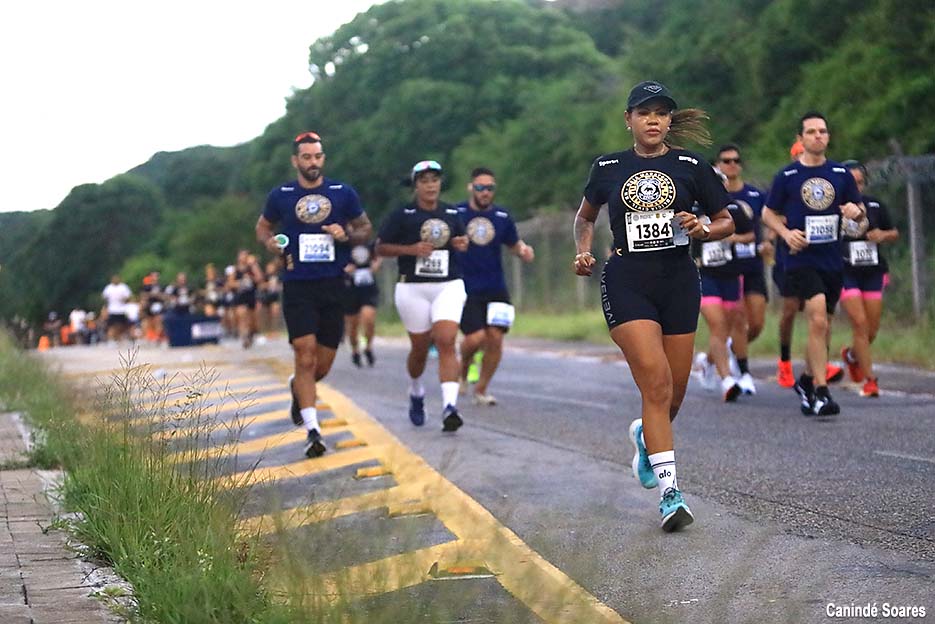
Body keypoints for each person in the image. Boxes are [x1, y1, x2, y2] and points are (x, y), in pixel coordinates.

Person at [573, 81, 735, 532]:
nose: (653, 119)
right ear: (628, 119)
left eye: (662, 112)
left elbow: (727, 221)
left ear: (668, 121)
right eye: (644, 112)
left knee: (673, 395)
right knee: (657, 385)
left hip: (678, 280)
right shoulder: (607, 167)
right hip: (627, 281)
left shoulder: (689, 165)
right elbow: (585, 217)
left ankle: (647, 438)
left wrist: (702, 227)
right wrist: (583, 250)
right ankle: (670, 494)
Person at [256, 131, 372, 458]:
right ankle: (313, 430)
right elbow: (263, 228)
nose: (312, 162)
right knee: (304, 354)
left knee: (320, 366)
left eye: (317, 156)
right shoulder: (281, 195)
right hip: (297, 284)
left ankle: (299, 387)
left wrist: (345, 233)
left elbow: (365, 229)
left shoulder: (342, 193)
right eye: (306, 157)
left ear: (323, 158)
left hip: (333, 284)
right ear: (296, 160)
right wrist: (270, 242)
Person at [761, 112, 864, 416]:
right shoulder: (788, 177)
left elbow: (860, 212)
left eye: (822, 131)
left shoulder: (841, 174)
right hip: (800, 259)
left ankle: (806, 379)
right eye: (811, 131)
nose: (818, 136)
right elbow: (768, 213)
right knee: (817, 319)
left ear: (828, 137)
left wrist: (855, 212)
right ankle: (821, 392)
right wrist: (785, 233)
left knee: (824, 326)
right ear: (801, 138)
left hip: (831, 259)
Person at [376, 160, 469, 432]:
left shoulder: (451, 211)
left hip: (448, 284)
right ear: (415, 185)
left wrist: (461, 243)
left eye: (435, 180)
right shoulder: (402, 214)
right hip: (413, 287)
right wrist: (410, 250)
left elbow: (460, 240)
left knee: (446, 341)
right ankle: (416, 390)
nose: (431, 185)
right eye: (425, 181)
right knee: (419, 348)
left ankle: (449, 407)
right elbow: (381, 248)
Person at [456, 167, 535, 405]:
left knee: (496, 339)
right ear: (471, 188)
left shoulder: (502, 216)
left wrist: (523, 251)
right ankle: (463, 369)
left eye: (489, 188)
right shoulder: (457, 213)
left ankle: (481, 389)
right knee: (475, 338)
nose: (485, 192)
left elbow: (513, 243)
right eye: (480, 187)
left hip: (495, 286)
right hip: (465, 286)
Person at [839, 160, 899, 397]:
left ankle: (852, 355)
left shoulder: (874, 204)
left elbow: (894, 233)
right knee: (860, 324)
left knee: (872, 329)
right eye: (852, 183)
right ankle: (870, 380)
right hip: (845, 271)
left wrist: (881, 235)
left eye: (861, 182)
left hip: (873, 271)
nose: (857, 187)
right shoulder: (834, 207)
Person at [693, 179, 756, 402]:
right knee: (718, 325)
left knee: (735, 324)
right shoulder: (691, 209)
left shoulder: (733, 209)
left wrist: (733, 237)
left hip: (730, 275)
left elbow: (751, 235)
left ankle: (712, 364)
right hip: (704, 275)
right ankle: (727, 380)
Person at [715, 144, 769, 394]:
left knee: (755, 323)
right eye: (726, 161)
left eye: (735, 160)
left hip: (751, 265)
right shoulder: (713, 199)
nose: (731, 165)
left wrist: (768, 241)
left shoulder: (755, 196)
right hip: (724, 267)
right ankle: (731, 363)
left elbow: (769, 220)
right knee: (732, 320)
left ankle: (723, 352)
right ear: (718, 166)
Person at [343, 241, 381, 367]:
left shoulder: (370, 242)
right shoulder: (343, 242)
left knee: (368, 317)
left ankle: (368, 347)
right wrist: (344, 269)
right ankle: (355, 350)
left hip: (368, 287)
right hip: (349, 288)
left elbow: (380, 252)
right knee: (352, 325)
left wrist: (376, 264)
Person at [102, 274, 132, 343]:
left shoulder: (123, 287)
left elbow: (128, 296)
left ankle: (118, 338)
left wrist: (124, 299)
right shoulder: (108, 288)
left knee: (121, 325)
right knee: (111, 326)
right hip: (112, 310)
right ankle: (111, 339)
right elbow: (104, 298)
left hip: (121, 310)